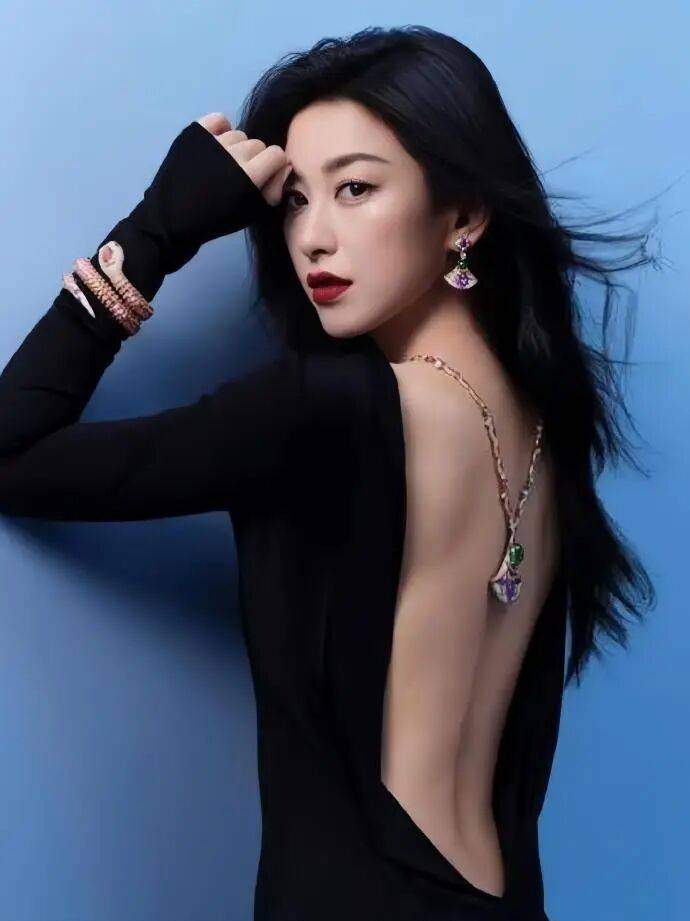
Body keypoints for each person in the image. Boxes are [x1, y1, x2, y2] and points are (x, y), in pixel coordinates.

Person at [0, 25, 657, 921]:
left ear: (464, 215)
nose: (312, 237)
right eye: (295, 201)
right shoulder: (548, 428)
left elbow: (12, 453)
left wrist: (156, 228)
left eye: (356, 189)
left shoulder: (325, 409)